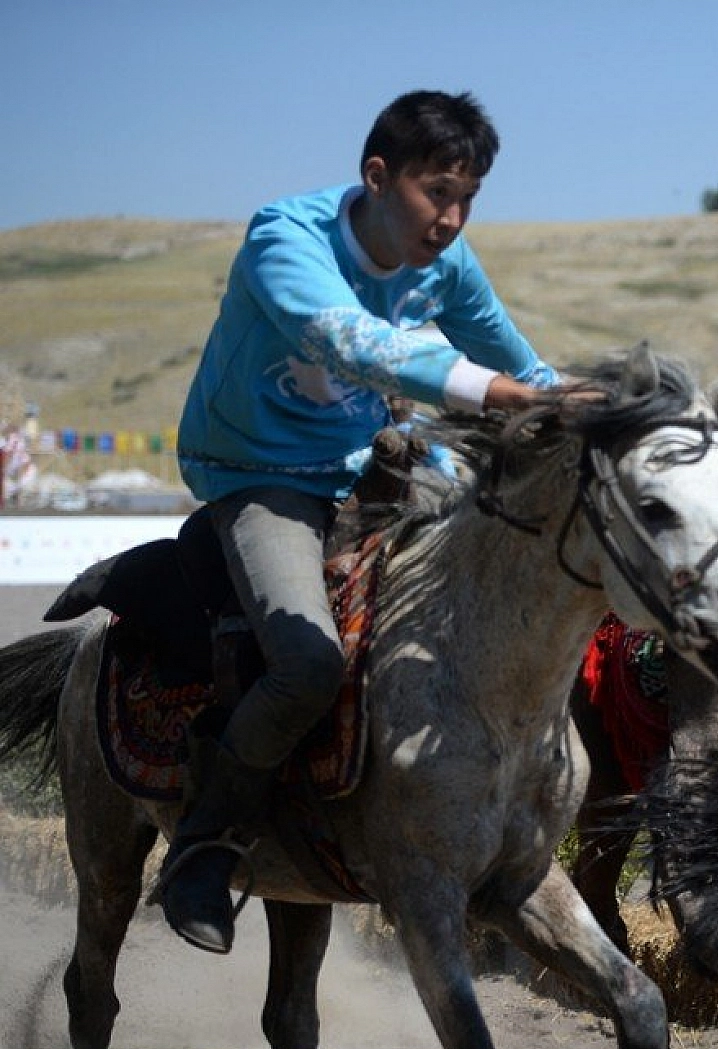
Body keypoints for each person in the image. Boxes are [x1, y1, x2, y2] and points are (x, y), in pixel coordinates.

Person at [164, 89, 558, 954]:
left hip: (385, 466)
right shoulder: (284, 239)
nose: (452, 220)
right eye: (436, 194)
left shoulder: (448, 267)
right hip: (263, 479)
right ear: (377, 177)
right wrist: (498, 394)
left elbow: (519, 360)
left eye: (468, 200)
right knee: (307, 660)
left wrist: (590, 408)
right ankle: (206, 840)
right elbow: (348, 341)